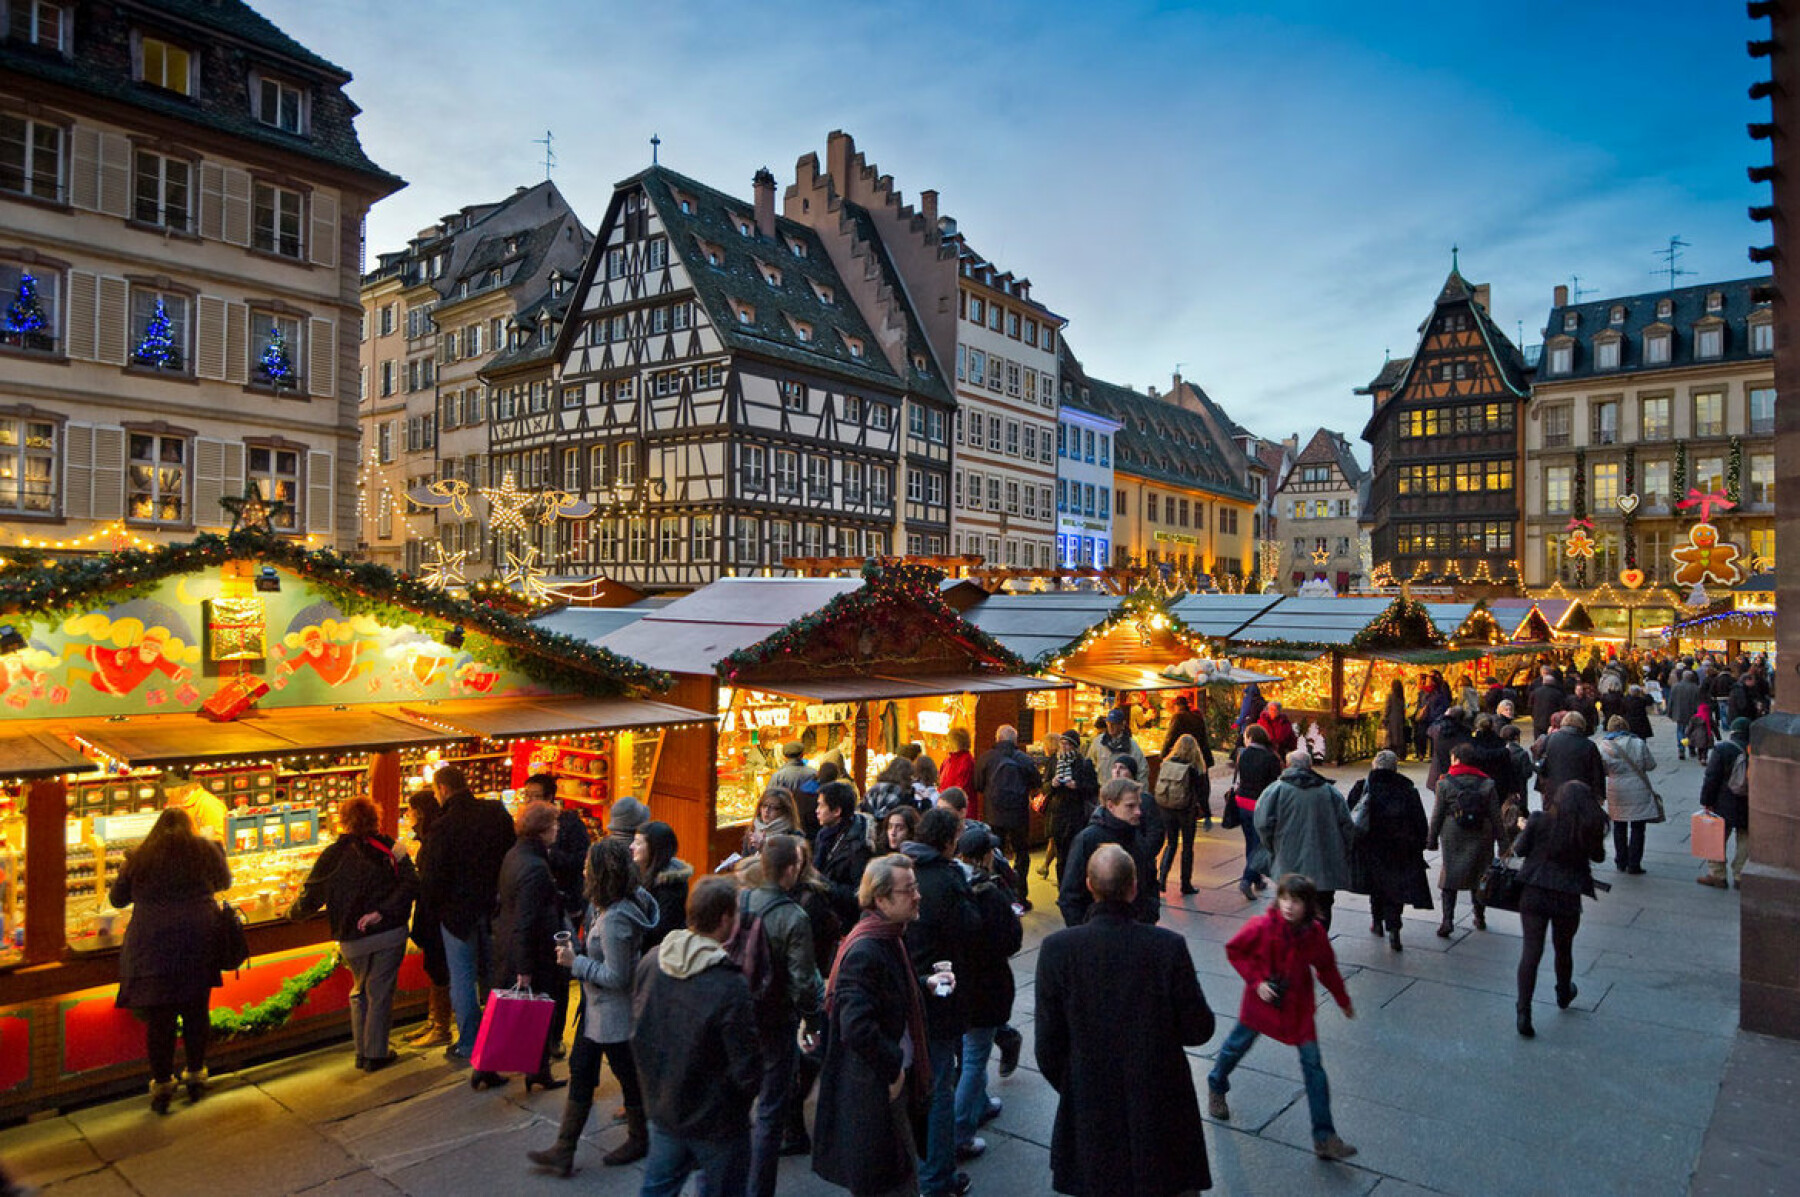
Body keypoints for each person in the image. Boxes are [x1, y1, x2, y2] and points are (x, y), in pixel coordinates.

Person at [1035, 844, 1214, 1197]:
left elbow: (1048, 1045)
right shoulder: (1166, 947)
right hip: (1159, 1100)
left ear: (1089, 885)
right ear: (1134, 888)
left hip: (1091, 1103)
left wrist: (1077, 1082)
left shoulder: (1058, 949)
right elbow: (1199, 1028)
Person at [811, 854, 946, 1197]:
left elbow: (887, 993)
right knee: (891, 1181)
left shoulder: (889, 935)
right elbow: (855, 1025)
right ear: (882, 899)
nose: (917, 895)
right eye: (909, 889)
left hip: (885, 1084)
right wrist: (895, 1070)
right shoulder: (868, 949)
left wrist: (924, 983)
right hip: (876, 1090)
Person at [528, 837, 659, 1173]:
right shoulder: (614, 903)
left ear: (601, 873)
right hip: (598, 1011)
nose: (583, 868)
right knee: (582, 1069)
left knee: (627, 1075)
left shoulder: (616, 919)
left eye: (589, 864)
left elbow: (617, 976)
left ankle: (638, 1138)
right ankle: (564, 1148)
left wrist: (576, 963)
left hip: (614, 1013)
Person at [1207, 874, 1358, 1161]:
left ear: (1307, 905)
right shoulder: (1262, 926)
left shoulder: (1313, 933)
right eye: (1285, 899)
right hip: (1261, 1003)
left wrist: (1343, 1001)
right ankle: (1216, 1082)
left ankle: (1324, 1137)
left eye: (1297, 901)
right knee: (1236, 1046)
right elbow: (1235, 950)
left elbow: (1327, 968)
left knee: (1314, 1066)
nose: (1289, 906)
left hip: (1297, 1008)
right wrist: (1257, 982)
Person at [628, 876, 761, 1197]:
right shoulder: (729, 985)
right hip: (717, 1123)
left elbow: (638, 1030)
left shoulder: (651, 963)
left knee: (657, 1189)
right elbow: (747, 1066)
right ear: (726, 919)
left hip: (665, 1110)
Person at [108, 807, 231, 1113]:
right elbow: (224, 882)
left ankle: (162, 1083)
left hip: (152, 944)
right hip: (198, 937)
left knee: (160, 1018)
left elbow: (117, 899)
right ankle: (195, 1075)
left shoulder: (139, 856)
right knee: (196, 1011)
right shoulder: (206, 850)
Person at [289, 796, 418, 1071]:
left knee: (360, 990)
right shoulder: (391, 848)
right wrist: (382, 912)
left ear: (343, 821)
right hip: (389, 932)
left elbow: (309, 899)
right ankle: (375, 1054)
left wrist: (290, 914)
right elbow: (411, 883)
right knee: (380, 992)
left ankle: (363, 1051)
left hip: (350, 937)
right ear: (376, 818)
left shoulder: (332, 855)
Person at [900, 808, 979, 1197]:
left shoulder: (901, 867)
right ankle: (938, 1177)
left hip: (904, 984)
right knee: (939, 1084)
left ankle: (917, 1164)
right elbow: (969, 927)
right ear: (948, 842)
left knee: (913, 1080)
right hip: (938, 991)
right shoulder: (946, 879)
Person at [417, 764, 516, 1061]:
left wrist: (430, 913)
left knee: (462, 978)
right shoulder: (495, 812)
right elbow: (510, 851)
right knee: (494, 976)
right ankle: (500, 1037)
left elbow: (433, 876)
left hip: (457, 915)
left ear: (443, 789)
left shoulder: (443, 826)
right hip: (493, 907)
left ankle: (470, 1042)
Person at [744, 834, 824, 1197]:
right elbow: (804, 982)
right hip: (774, 1017)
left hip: (739, 1013)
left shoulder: (742, 899)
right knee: (770, 1110)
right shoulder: (793, 917)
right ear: (791, 870)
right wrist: (812, 1018)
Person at [474, 802, 567, 1093]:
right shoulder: (536, 867)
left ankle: (486, 1068)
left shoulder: (514, 855)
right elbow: (528, 920)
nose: (557, 830)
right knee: (537, 1013)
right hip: (531, 951)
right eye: (553, 825)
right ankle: (537, 1071)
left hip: (507, 943)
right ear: (542, 830)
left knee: (505, 1010)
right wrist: (525, 968)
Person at [1512, 781, 1608, 1037]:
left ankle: (1523, 1010)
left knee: (1531, 951)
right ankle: (1563, 992)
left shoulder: (1540, 819)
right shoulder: (1586, 826)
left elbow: (1520, 850)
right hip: (1567, 894)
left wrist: (1524, 829)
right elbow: (1598, 856)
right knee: (1563, 948)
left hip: (1534, 890)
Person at [951, 825, 1023, 1164]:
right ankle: (960, 1133)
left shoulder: (950, 884)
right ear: (983, 856)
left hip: (959, 983)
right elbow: (1009, 941)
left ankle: (979, 1104)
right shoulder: (989, 893)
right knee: (975, 1056)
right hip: (984, 987)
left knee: (971, 1051)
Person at [521, 772, 589, 1058]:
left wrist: (550, 853)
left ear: (550, 797)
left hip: (566, 909)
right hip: (541, 913)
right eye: (526, 796)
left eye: (535, 796)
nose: (529, 801)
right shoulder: (526, 832)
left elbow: (578, 862)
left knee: (560, 975)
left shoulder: (570, 825)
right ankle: (535, 1036)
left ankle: (555, 1036)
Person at [1253, 750, 1354, 930]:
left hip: (1287, 864)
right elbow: (1347, 826)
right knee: (1322, 908)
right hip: (1323, 864)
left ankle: (1295, 947)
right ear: (1310, 766)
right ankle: (1317, 944)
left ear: (1287, 765)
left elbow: (1262, 824)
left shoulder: (1275, 791)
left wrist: (1273, 847)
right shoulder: (1330, 792)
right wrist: (1342, 852)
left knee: (1289, 907)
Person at [1347, 752, 1431, 951]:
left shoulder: (1362, 787)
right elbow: (1420, 821)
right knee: (1395, 889)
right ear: (1395, 767)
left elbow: (1350, 816)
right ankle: (1394, 928)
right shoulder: (1407, 789)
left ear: (1374, 765)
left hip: (1371, 847)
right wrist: (1420, 844)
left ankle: (1377, 922)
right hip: (1400, 849)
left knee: (1376, 886)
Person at [1059, 778, 1159, 927]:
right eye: (1130, 806)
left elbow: (1149, 879)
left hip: (1136, 931)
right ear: (1111, 805)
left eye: (1138, 806)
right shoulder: (1087, 840)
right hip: (1098, 932)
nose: (1138, 812)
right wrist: (1085, 934)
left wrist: (1150, 914)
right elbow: (1070, 896)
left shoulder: (1135, 835)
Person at [1427, 741, 1503, 937]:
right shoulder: (1487, 783)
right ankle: (1479, 916)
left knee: (1450, 876)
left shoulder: (1444, 783)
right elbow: (1496, 816)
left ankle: (1447, 920)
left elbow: (1437, 814)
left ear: (1458, 759)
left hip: (1453, 832)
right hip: (1481, 832)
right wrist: (1503, 843)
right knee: (1480, 876)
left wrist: (1431, 839)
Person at [402, 788, 452, 1049]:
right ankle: (434, 1021)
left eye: (410, 810)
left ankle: (442, 1027)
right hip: (431, 912)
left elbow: (432, 882)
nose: (407, 815)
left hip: (435, 914)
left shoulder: (433, 840)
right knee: (434, 968)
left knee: (438, 968)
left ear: (419, 813)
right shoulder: (429, 838)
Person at [971, 724, 1043, 893]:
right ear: (1015, 740)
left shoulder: (986, 758)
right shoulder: (1024, 759)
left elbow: (977, 785)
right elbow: (1036, 783)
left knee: (996, 853)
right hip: (1018, 814)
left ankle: (998, 890)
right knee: (1021, 853)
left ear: (997, 739)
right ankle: (1020, 893)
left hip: (993, 814)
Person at [1598, 715, 1658, 875]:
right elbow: (1651, 765)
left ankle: (1621, 860)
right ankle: (1634, 863)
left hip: (1616, 789)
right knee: (1638, 828)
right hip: (1638, 788)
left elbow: (1602, 770)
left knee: (1619, 825)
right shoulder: (1638, 743)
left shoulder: (1604, 747)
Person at [1697, 718, 1753, 889]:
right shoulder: (1756, 750)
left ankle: (1717, 874)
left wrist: (1706, 801)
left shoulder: (1723, 749)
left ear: (1733, 732)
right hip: (1749, 802)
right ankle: (1741, 875)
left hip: (1724, 802)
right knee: (1745, 838)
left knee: (1716, 838)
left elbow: (1711, 778)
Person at [1154, 732, 1210, 894]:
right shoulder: (1195, 768)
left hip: (1167, 808)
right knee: (1187, 846)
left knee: (1171, 843)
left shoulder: (1167, 763)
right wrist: (1206, 813)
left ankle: (1162, 879)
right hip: (1186, 810)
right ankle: (1185, 883)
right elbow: (1203, 792)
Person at [1040, 730, 1099, 884]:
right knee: (1061, 856)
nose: (1064, 747)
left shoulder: (1083, 764)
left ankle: (1073, 885)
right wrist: (1052, 785)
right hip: (1057, 814)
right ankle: (1062, 887)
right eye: (1062, 744)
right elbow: (1044, 787)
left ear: (1074, 747)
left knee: (1075, 854)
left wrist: (1077, 786)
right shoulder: (1054, 761)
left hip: (1076, 815)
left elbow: (1093, 788)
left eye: (1068, 744)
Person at [1233, 723, 1283, 900]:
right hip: (1260, 804)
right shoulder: (1271, 757)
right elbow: (1274, 783)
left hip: (1242, 803)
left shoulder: (1243, 755)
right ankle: (1247, 879)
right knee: (1259, 845)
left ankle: (1257, 878)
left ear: (1251, 738)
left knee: (1251, 842)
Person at [814, 780, 874, 929]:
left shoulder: (858, 845)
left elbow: (858, 894)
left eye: (821, 805)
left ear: (836, 811)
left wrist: (822, 882)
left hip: (845, 922)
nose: (817, 810)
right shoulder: (824, 835)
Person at [633, 820, 692, 948]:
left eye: (638, 843)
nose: (631, 846)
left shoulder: (671, 887)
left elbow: (660, 932)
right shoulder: (641, 873)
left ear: (654, 848)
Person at [1535, 710, 1606, 801]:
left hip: (1554, 792)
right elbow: (1597, 773)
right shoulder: (1588, 745)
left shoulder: (1549, 740)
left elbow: (1541, 763)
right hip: (1580, 794)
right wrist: (1599, 796)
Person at [1087, 706, 1147, 782]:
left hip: (1122, 790)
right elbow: (1089, 765)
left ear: (1122, 725)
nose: (1111, 727)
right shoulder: (1098, 742)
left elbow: (1142, 770)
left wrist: (1138, 791)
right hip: (1103, 789)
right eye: (1109, 723)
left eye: (1114, 724)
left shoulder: (1131, 745)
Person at [744, 787, 801, 858]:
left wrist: (763, 848)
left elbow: (786, 865)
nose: (767, 810)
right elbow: (745, 859)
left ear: (785, 811)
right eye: (764, 805)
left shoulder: (793, 836)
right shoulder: (752, 831)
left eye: (773, 807)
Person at [1160, 694, 1213, 767]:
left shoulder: (1178, 717)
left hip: (1186, 756)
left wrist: (1163, 755)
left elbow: (1170, 737)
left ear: (1177, 706)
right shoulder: (1197, 717)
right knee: (1199, 775)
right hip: (1200, 756)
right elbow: (1204, 737)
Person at [1665, 670, 1702, 760]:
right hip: (1692, 713)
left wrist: (1669, 712)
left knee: (1681, 731)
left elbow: (1671, 701)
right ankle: (1691, 748)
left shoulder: (1675, 687)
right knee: (1691, 731)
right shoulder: (1695, 688)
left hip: (1679, 713)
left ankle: (1681, 748)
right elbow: (1699, 702)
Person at [1530, 666, 1567, 741]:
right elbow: (1562, 706)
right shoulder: (1558, 692)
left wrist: (1533, 715)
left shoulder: (1535, 691)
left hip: (1538, 720)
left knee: (1539, 740)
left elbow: (1530, 705)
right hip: (1552, 721)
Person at [939, 727, 976, 797]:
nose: (947, 743)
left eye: (948, 740)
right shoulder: (948, 759)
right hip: (946, 800)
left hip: (956, 803)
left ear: (955, 742)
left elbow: (961, 787)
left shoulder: (966, 761)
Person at [1383, 679, 1410, 758]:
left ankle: (1392, 753)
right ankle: (1401, 753)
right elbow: (1403, 708)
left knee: (1391, 737)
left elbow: (1387, 708)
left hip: (1392, 719)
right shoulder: (1401, 696)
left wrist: (1384, 717)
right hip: (1400, 718)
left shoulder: (1390, 696)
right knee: (1399, 736)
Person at [1687, 701, 1718, 766]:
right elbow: (1715, 728)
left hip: (1696, 736)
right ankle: (1704, 758)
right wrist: (1718, 737)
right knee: (1705, 748)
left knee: (1700, 748)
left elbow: (1690, 728)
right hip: (1707, 736)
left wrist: (1687, 734)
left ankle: (1700, 757)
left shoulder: (1694, 718)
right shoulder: (1709, 718)